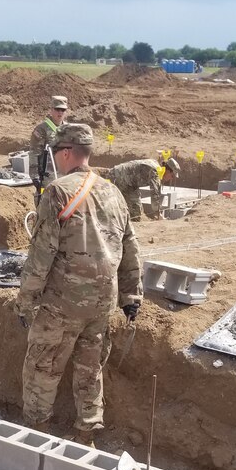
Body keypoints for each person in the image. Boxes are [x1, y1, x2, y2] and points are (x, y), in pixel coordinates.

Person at [16, 123, 142, 444]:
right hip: (102, 302)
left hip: (64, 301)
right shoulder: (113, 192)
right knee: (90, 368)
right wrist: (131, 297)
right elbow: (130, 248)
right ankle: (87, 431)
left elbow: (42, 252)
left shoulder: (58, 191)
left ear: (68, 152)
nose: (55, 160)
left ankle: (37, 434)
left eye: (56, 153)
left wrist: (27, 299)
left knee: (42, 367)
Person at [97, 157, 180, 221]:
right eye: (172, 175)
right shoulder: (155, 172)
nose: (171, 179)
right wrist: (159, 215)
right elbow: (155, 195)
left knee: (136, 210)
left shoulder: (156, 167)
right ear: (168, 170)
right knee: (118, 208)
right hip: (119, 178)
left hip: (130, 184)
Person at [29, 95, 69, 200]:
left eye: (63, 110)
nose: (60, 113)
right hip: (47, 177)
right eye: (57, 109)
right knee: (44, 206)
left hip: (63, 176)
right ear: (51, 110)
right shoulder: (42, 130)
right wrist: (34, 176)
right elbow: (34, 153)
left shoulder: (68, 129)